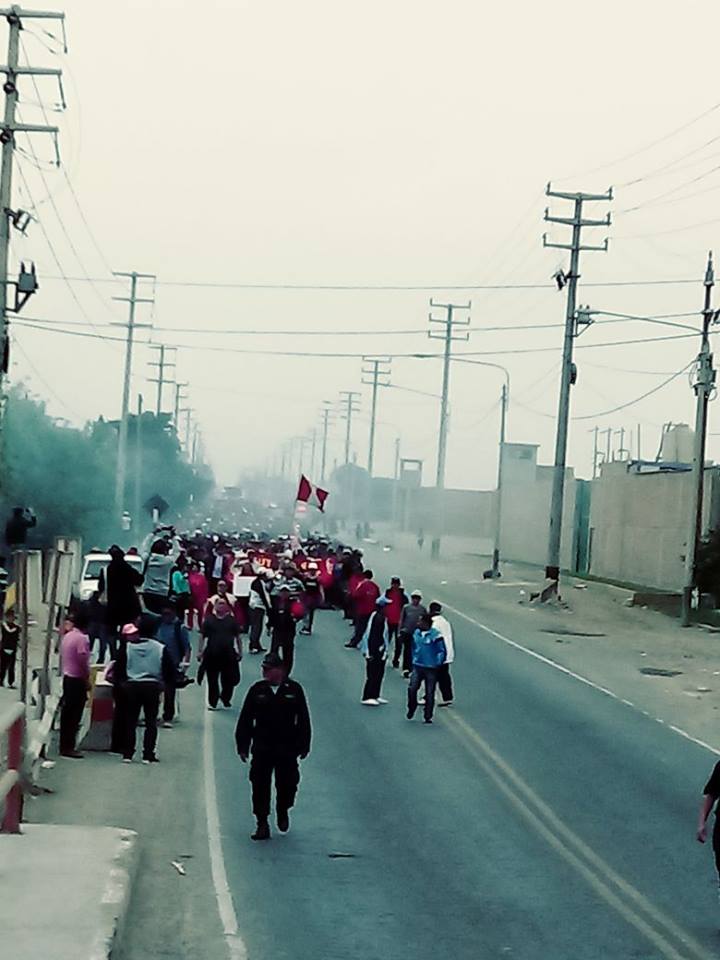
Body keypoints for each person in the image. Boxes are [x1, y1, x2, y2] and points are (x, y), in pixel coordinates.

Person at [235, 652, 312, 841]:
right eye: (264, 669)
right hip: (263, 747)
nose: (265, 672)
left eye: (269, 669)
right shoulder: (257, 690)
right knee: (259, 785)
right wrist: (243, 745)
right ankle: (262, 822)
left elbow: (303, 718)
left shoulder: (294, 690)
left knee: (288, 784)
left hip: (287, 748)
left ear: (280, 670)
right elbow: (246, 719)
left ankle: (283, 809)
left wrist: (304, 744)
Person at [114, 617, 174, 763]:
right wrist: (164, 685)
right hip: (152, 687)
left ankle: (128, 753)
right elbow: (168, 671)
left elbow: (119, 669)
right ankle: (148, 754)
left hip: (132, 686)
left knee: (130, 721)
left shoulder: (127, 647)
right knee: (151, 722)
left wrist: (123, 684)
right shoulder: (160, 648)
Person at [59, 610, 91, 758]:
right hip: (77, 679)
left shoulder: (68, 636)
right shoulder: (82, 639)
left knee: (66, 714)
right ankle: (69, 746)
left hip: (67, 677)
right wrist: (87, 678)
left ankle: (64, 745)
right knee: (74, 715)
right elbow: (82, 660)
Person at [101, 545, 144, 654]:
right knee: (127, 629)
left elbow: (100, 587)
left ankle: (113, 653)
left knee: (111, 632)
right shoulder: (128, 569)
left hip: (112, 606)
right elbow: (139, 581)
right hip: (129, 606)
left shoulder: (106, 570)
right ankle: (124, 649)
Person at [199, 598, 242, 709]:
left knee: (229, 679)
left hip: (228, 654)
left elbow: (238, 637)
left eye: (223, 604)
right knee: (212, 679)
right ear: (215, 606)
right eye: (219, 604)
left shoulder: (232, 621)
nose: (221, 606)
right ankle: (213, 701)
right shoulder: (209, 620)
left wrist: (240, 651)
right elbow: (202, 636)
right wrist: (200, 651)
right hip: (212, 654)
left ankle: (225, 698)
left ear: (227, 607)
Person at [407, 613, 446, 724]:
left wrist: (438, 663)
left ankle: (428, 715)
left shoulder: (436, 635)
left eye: (420, 621)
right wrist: (413, 659)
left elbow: (441, 650)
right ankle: (412, 706)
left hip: (431, 668)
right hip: (418, 665)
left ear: (426, 623)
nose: (418, 623)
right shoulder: (416, 633)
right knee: (412, 688)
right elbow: (413, 647)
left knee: (430, 692)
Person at [156, 604, 191, 727]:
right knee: (154, 690)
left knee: (169, 691)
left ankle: (168, 716)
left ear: (174, 613)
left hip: (173, 663)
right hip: (157, 661)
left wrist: (185, 665)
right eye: (163, 614)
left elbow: (187, 648)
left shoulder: (179, 627)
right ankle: (153, 714)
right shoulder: (158, 625)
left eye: (168, 614)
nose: (165, 616)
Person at [360, 596, 391, 705]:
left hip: (380, 651)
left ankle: (375, 695)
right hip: (374, 651)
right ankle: (367, 696)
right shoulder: (377, 618)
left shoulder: (382, 617)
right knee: (372, 674)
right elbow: (372, 636)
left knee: (379, 674)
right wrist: (371, 652)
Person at [346, 569, 380, 649]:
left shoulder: (362, 585)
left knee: (360, 627)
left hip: (362, 610)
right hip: (372, 610)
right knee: (370, 628)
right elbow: (378, 598)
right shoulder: (375, 586)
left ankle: (354, 642)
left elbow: (355, 595)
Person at [429, 601, 455, 706]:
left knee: (431, 676)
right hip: (447, 653)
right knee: (444, 676)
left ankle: (428, 696)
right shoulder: (445, 622)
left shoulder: (434, 623)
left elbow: (433, 638)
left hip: (438, 654)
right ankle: (447, 697)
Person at [269, 585, 298, 675]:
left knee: (288, 653)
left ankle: (286, 673)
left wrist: (295, 618)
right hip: (277, 630)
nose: (284, 594)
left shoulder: (293, 602)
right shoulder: (275, 602)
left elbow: (299, 613)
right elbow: (272, 615)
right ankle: (272, 670)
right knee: (274, 651)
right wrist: (269, 626)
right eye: (282, 592)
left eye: (286, 592)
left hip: (288, 630)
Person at [398, 590, 427, 677]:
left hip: (417, 633)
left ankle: (413, 668)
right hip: (407, 632)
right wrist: (399, 631)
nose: (415, 600)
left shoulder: (422, 609)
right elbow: (401, 620)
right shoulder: (406, 608)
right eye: (414, 598)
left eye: (417, 598)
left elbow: (425, 622)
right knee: (407, 650)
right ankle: (406, 668)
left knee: (415, 651)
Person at [143, 541, 174, 614]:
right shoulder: (168, 561)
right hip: (162, 593)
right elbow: (177, 551)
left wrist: (152, 535)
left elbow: (145, 547)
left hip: (147, 593)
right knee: (162, 615)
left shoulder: (147, 559)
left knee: (149, 615)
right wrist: (174, 537)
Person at [385, 576, 408, 667]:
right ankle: (384, 655)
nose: (395, 586)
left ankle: (396, 660)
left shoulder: (403, 596)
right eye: (393, 584)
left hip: (399, 623)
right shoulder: (387, 593)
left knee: (398, 643)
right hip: (388, 621)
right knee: (386, 640)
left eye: (396, 584)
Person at [248, 569, 271, 654]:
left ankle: (257, 644)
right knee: (256, 627)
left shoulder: (258, 582)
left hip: (257, 607)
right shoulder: (258, 584)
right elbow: (264, 596)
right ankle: (253, 646)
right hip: (256, 607)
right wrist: (269, 608)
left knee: (259, 626)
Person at [187, 561, 209, 631]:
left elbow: (205, 587)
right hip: (191, 595)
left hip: (200, 596)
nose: (194, 568)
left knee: (200, 612)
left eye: (195, 567)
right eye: (193, 567)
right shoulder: (188, 576)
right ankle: (190, 625)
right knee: (190, 611)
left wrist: (205, 597)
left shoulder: (202, 577)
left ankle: (200, 626)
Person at [0, 607, 19, 688]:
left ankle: (11, 682)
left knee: (11, 667)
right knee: (3, 666)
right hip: (4, 648)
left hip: (12, 649)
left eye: (12, 617)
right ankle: (1, 680)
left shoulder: (16, 627)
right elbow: (8, 632)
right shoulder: (3, 626)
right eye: (10, 617)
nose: (11, 618)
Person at [170, 558, 192, 623]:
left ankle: (181, 622)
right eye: (186, 566)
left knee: (182, 611)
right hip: (178, 594)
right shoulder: (176, 573)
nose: (187, 568)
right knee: (178, 611)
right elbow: (176, 583)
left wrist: (189, 593)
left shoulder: (186, 575)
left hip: (185, 594)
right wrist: (178, 593)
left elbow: (187, 585)